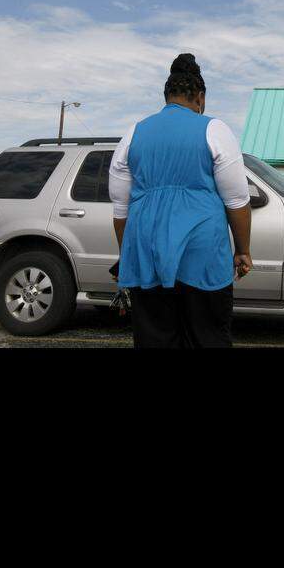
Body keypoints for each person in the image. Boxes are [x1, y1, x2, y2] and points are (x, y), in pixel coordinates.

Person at [108, 53, 253, 348]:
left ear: (167, 97)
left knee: (154, 339)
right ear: (200, 98)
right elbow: (237, 201)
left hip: (146, 254)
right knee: (208, 337)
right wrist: (243, 251)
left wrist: (129, 256)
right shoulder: (214, 130)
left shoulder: (133, 134)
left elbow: (121, 209)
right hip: (203, 255)